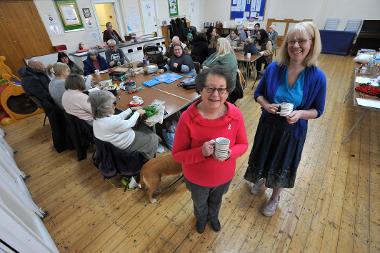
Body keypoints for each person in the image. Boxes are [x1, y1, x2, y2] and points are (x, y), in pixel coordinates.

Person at [244, 21, 326, 217]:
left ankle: (275, 197)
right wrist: (265, 105)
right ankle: (262, 179)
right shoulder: (274, 68)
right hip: (268, 125)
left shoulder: (318, 77)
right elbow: (259, 93)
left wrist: (300, 114)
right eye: (291, 41)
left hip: (292, 131)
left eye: (301, 41)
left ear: (312, 43)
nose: (295, 46)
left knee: (283, 162)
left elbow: (318, 110)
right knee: (264, 154)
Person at [172, 67, 248, 233]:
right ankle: (200, 219)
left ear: (228, 92)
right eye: (210, 89)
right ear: (200, 89)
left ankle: (213, 217)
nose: (215, 95)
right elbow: (177, 154)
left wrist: (230, 153)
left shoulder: (235, 114)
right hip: (196, 179)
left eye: (221, 89)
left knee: (216, 201)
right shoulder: (187, 117)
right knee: (199, 204)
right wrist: (201, 152)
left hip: (223, 176)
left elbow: (243, 145)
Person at [89, 90, 160, 160]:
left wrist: (130, 109)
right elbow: (130, 123)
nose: (115, 105)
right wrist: (137, 112)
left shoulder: (98, 118)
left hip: (115, 144)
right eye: (114, 103)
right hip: (126, 145)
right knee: (153, 138)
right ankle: (149, 158)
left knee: (142, 129)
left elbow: (117, 117)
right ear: (106, 107)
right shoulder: (111, 122)